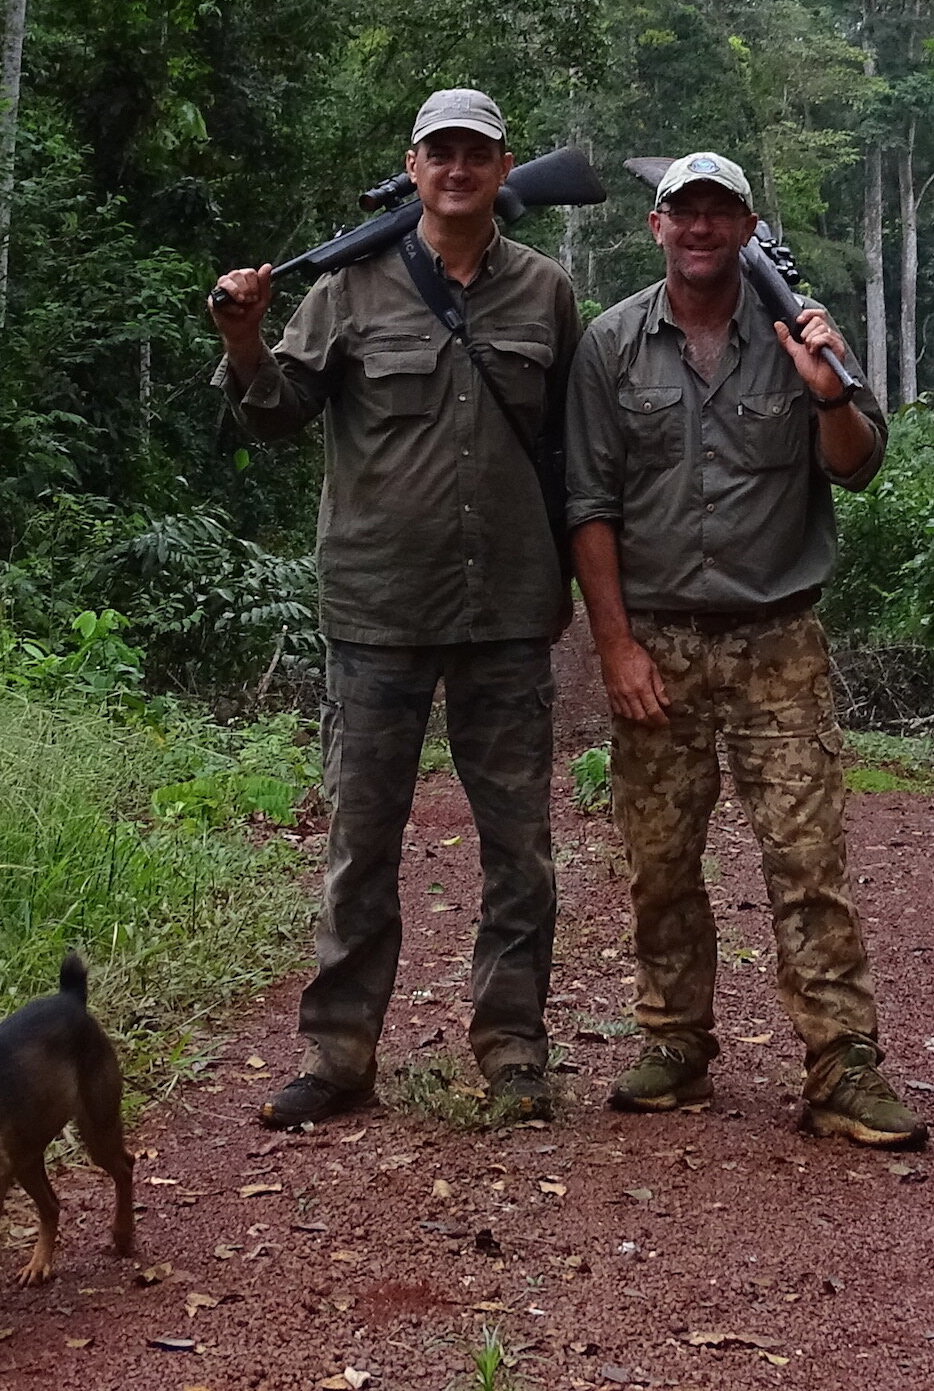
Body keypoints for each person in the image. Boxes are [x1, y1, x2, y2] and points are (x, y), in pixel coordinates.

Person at [210, 88, 582, 1131]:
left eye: (475, 153)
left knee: (519, 844)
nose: (456, 169)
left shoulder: (546, 292)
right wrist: (244, 340)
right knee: (361, 840)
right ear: (411, 168)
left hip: (506, 606)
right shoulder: (344, 288)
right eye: (438, 153)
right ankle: (337, 1055)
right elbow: (278, 412)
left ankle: (513, 1050)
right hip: (374, 607)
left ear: (505, 168)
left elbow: (577, 448)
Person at [563, 149, 924, 1148]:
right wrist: (615, 649)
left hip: (777, 641)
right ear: (657, 226)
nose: (699, 228)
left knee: (808, 863)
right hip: (661, 643)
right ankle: (674, 1044)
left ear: (746, 227)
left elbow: (857, 467)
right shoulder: (612, 344)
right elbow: (587, 504)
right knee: (660, 863)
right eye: (683, 212)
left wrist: (824, 391)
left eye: (719, 212)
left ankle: (842, 1067)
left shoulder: (802, 335)